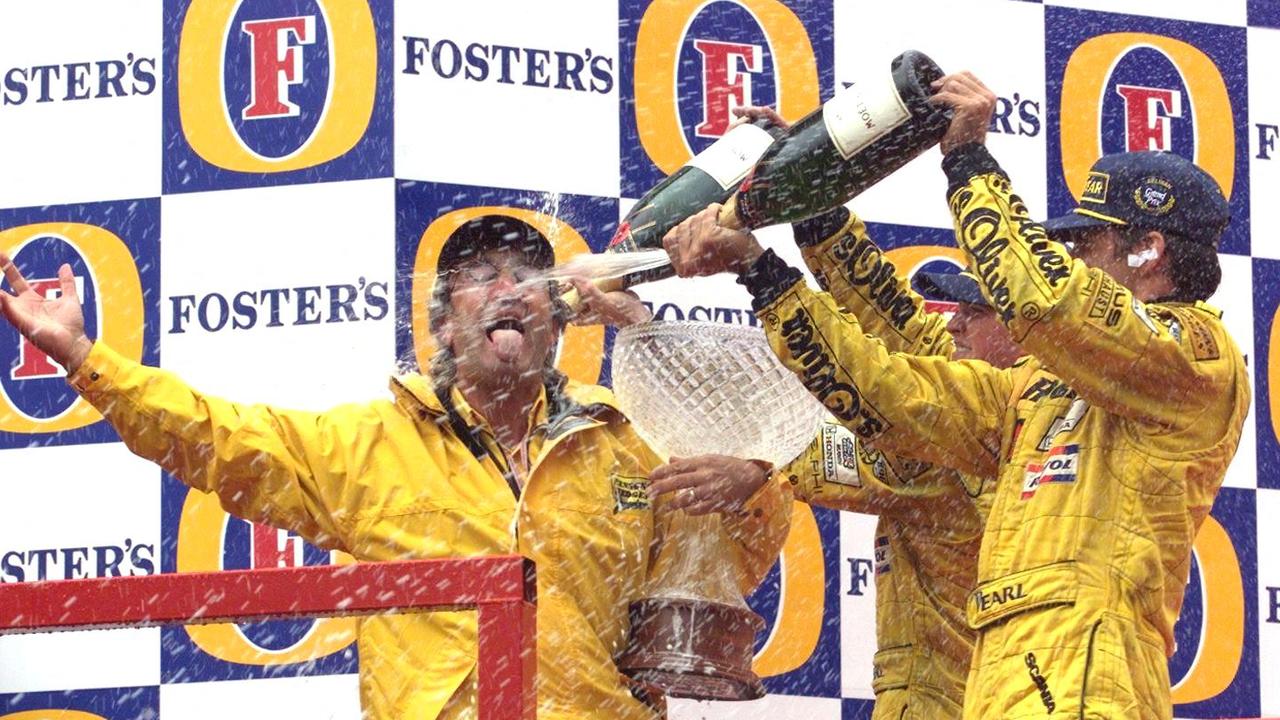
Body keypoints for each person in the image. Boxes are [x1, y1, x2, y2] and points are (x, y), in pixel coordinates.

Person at [0, 214, 792, 720]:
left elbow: (731, 553)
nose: (506, 289)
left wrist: (752, 475)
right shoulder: (372, 447)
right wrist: (82, 358)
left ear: (559, 319)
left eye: (524, 275)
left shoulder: (632, 438)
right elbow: (215, 438)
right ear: (445, 327)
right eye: (480, 277)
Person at [661, 72, 1250, 719]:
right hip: (1002, 684)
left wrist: (967, 159)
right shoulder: (1036, 391)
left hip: (1088, 681)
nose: (1072, 256)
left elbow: (1045, 300)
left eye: (1087, 242)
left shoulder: (1195, 356)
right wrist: (762, 273)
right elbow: (897, 396)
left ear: (1148, 251)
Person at [653, 109, 1022, 714]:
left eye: (973, 312)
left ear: (1022, 331)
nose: (950, 320)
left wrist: (761, 463)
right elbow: (886, 306)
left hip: (961, 701)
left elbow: (875, 429)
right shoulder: (975, 385)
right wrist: (803, 179)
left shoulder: (991, 434)